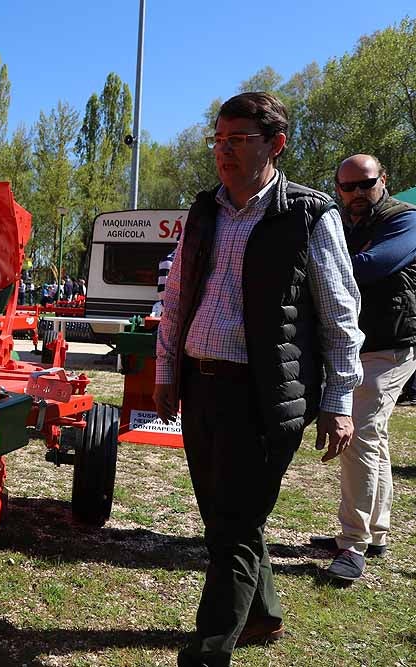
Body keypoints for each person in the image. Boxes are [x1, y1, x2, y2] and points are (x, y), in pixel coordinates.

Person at [153, 92, 363, 667]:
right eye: (218, 140)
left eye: (238, 140)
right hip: (201, 388)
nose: (224, 151)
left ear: (275, 143)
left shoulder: (309, 215)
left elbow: (342, 316)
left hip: (265, 398)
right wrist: (168, 371)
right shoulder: (203, 211)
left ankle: (209, 648)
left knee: (233, 526)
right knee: (226, 515)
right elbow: (175, 301)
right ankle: (264, 614)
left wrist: (338, 402)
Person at [309, 155, 416, 583]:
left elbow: (370, 267)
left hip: (388, 349)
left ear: (382, 180)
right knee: (376, 437)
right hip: (360, 347)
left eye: (363, 184)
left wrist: (315, 267)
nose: (354, 194)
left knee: (358, 433)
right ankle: (376, 532)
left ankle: (352, 545)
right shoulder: (346, 224)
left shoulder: (405, 220)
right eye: (346, 186)